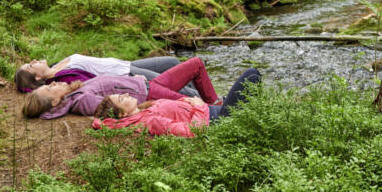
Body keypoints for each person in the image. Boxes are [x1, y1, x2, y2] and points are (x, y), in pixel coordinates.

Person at [21, 57, 221, 119]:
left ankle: (218, 104)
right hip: (149, 92)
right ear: (55, 102)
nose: (53, 83)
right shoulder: (81, 100)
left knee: (196, 65)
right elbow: (113, 109)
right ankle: (221, 112)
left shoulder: (74, 92)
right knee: (196, 106)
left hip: (145, 84)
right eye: (49, 89)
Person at [92, 68, 261, 137]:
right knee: (252, 75)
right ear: (122, 114)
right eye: (122, 99)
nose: (127, 95)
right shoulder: (152, 121)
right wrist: (198, 106)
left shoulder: (144, 112)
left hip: (212, 111)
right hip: (218, 119)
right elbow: (193, 132)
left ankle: (255, 122)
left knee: (249, 86)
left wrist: (185, 100)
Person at [14, 54, 196, 97]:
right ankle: (210, 107)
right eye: (31, 66)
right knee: (182, 86)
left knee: (172, 63)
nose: (34, 61)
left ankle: (206, 98)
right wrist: (131, 81)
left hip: (126, 64)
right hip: (127, 74)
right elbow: (98, 84)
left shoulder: (56, 66)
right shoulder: (64, 78)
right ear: (38, 78)